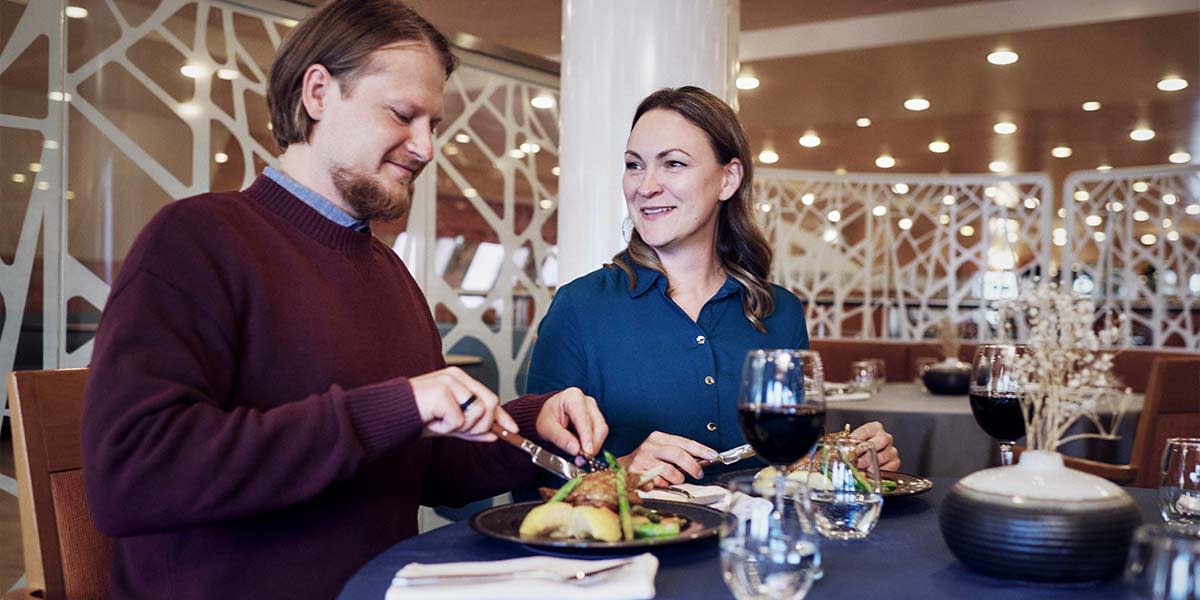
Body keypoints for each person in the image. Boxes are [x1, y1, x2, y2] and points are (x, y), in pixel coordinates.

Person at [80, 2, 606, 598]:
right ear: (318, 92)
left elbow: (425, 469)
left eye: (433, 124)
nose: (425, 147)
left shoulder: (387, 270)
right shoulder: (196, 239)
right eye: (403, 115)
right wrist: (392, 408)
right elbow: (133, 477)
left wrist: (533, 422)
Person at [526, 86, 898, 487]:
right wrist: (621, 473)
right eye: (634, 165)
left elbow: (789, 461)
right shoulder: (580, 308)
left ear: (728, 179)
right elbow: (534, 481)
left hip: (754, 546)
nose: (645, 185)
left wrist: (842, 461)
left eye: (672, 164)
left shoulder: (780, 312)